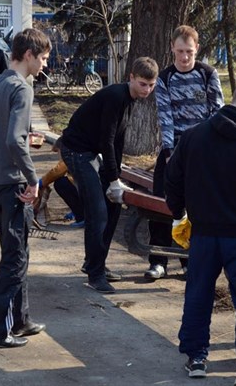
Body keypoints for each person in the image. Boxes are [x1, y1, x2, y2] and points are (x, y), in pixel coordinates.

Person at [164, 79, 236, 386]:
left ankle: (196, 359)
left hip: (203, 236)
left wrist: (179, 216)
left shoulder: (192, 137)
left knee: (198, 295)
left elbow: (172, 181)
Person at [0, 28, 51, 349]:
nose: (43, 65)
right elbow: (14, 139)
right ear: (28, 54)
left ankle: (20, 318)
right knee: (15, 259)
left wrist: (8, 145)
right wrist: (33, 179)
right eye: (42, 58)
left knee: (18, 252)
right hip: (13, 183)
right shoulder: (21, 88)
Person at [60, 56, 159, 294]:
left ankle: (96, 264)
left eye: (151, 85)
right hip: (77, 151)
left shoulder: (131, 100)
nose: (147, 89)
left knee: (114, 206)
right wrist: (113, 179)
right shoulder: (116, 97)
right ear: (131, 78)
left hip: (93, 152)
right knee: (98, 211)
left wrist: (117, 173)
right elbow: (106, 139)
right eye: (143, 83)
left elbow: (118, 139)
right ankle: (95, 274)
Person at [145, 25, 224, 281]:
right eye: (179, 51)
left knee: (196, 207)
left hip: (202, 150)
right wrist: (168, 153)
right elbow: (165, 118)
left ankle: (190, 261)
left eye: (189, 51)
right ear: (172, 49)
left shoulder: (207, 74)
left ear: (196, 49)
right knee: (162, 201)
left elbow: (217, 112)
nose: (184, 57)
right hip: (174, 147)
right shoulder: (165, 78)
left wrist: (210, 149)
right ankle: (158, 261)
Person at [35, 137, 84, 228]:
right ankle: (79, 213)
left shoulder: (70, 155)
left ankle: (82, 217)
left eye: (58, 151)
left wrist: (41, 182)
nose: (58, 155)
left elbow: (57, 171)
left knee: (61, 184)